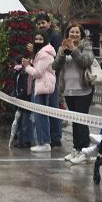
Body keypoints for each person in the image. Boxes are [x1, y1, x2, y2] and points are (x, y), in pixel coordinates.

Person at [54, 23, 94, 163]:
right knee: (74, 122)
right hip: (68, 90)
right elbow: (55, 66)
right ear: (67, 34)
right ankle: (76, 149)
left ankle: (84, 151)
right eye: (72, 32)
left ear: (81, 34)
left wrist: (74, 50)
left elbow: (86, 61)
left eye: (77, 32)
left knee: (81, 121)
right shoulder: (62, 47)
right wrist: (62, 53)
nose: (74, 35)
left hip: (84, 90)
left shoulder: (86, 46)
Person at [23, 32, 57, 153]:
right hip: (39, 86)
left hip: (43, 87)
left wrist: (27, 67)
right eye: (36, 38)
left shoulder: (44, 55)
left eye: (40, 38)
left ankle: (44, 142)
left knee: (41, 116)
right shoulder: (40, 53)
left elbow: (38, 73)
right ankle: (42, 141)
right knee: (39, 115)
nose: (38, 41)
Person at [35, 14, 63, 146]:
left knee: (53, 107)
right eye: (39, 23)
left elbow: (56, 57)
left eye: (43, 23)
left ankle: (55, 137)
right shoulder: (40, 37)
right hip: (43, 78)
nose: (41, 25)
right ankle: (51, 136)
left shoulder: (55, 37)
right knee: (46, 108)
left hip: (51, 77)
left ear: (49, 23)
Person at [11, 41, 35, 149]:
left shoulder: (25, 73)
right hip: (18, 101)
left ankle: (27, 141)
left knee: (26, 122)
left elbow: (26, 87)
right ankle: (21, 140)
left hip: (25, 101)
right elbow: (15, 85)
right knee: (19, 121)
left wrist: (20, 95)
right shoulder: (17, 73)